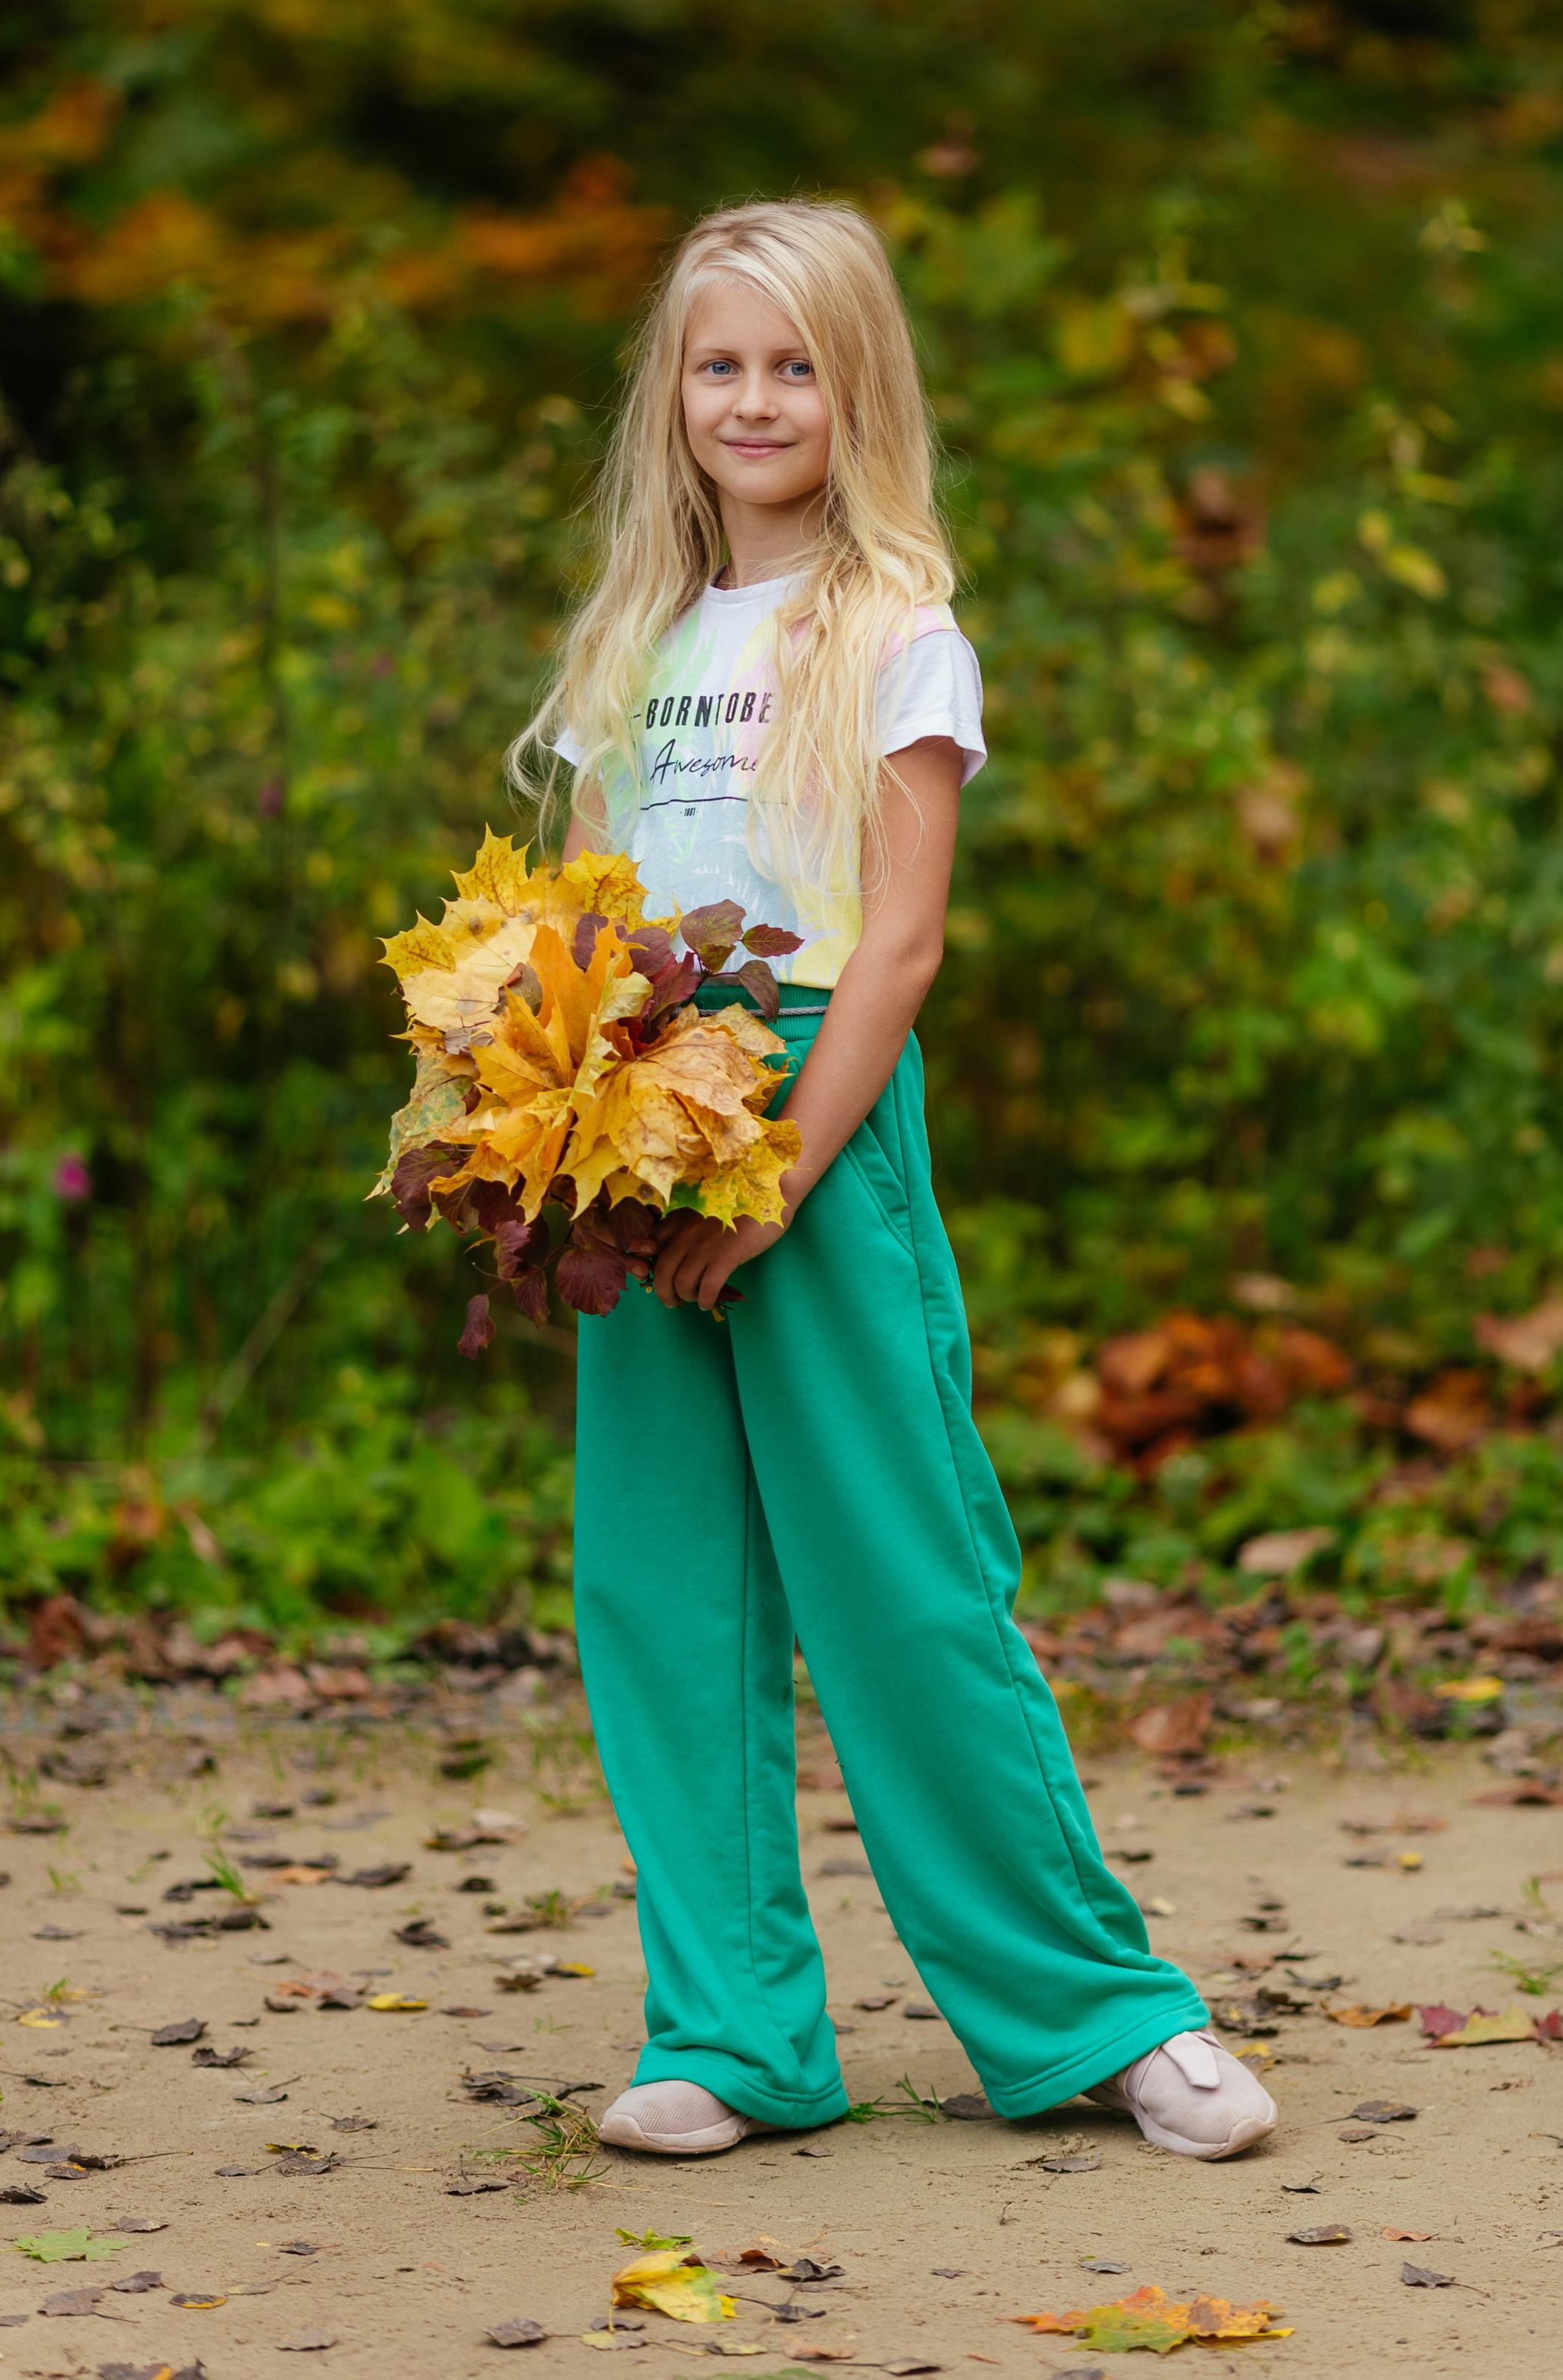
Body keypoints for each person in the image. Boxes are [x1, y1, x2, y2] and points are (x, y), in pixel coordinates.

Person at [509, 198, 1275, 2164]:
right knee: (663, 1588)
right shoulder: (636, 638)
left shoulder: (893, 629)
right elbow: (583, 909)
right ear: (670, 397)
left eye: (794, 366)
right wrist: (548, 1125)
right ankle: (736, 2031)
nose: (752, 399)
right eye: (717, 364)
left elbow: (904, 942)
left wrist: (779, 1173)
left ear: (858, 397)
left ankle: (1092, 2008)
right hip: (635, 1120)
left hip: (815, 1112)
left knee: (905, 1574)